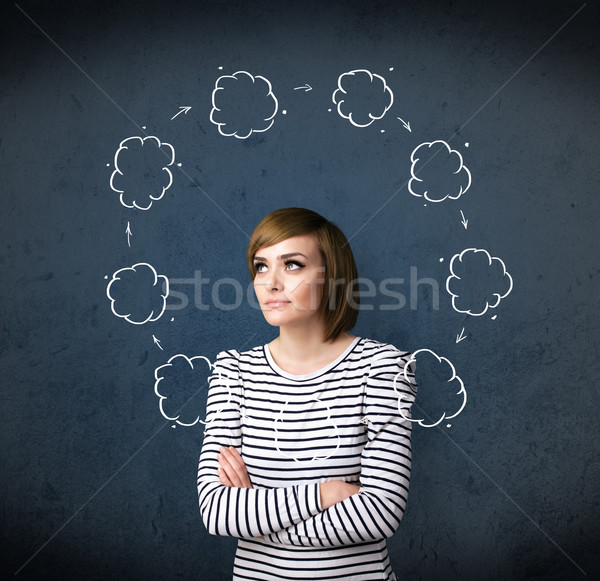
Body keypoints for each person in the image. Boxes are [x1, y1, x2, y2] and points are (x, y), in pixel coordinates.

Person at [197, 207, 417, 580]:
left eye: (293, 264)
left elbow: (380, 513)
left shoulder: (382, 367)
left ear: (331, 277)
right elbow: (217, 511)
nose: (271, 283)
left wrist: (257, 517)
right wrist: (325, 494)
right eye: (261, 266)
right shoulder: (233, 371)